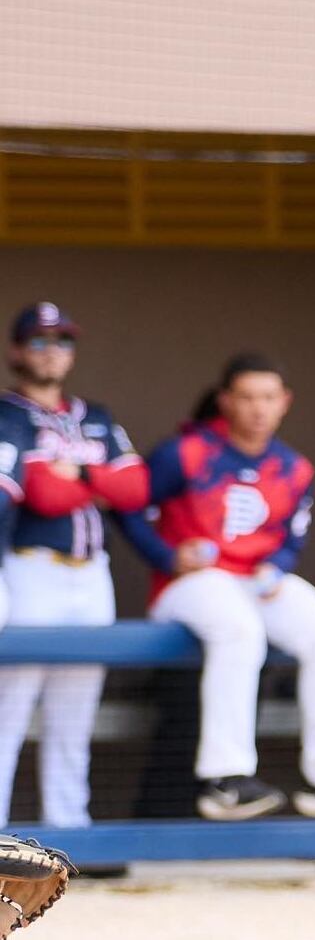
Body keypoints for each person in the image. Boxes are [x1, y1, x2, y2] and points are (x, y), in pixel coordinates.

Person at [118, 353, 315, 821]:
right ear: (226, 401)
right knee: (240, 628)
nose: (258, 409)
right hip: (188, 585)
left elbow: (292, 538)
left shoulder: (293, 467)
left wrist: (277, 565)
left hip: (254, 581)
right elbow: (126, 505)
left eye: (268, 398)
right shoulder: (185, 452)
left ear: (285, 402)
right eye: (246, 397)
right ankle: (227, 779)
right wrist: (167, 557)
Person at [0, 303, 150, 829]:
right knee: (9, 710)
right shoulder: (7, 414)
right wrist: (97, 476)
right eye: (38, 341)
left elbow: (135, 487)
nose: (52, 351)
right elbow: (38, 492)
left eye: (62, 341)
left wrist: (78, 473)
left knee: (75, 711)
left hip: (91, 574)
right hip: (30, 570)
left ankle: (69, 833)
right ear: (17, 350)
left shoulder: (97, 416)